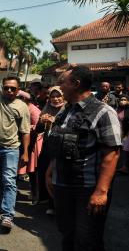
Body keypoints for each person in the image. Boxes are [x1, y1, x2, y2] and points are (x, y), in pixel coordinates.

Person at [45, 66, 121, 251]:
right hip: (63, 186)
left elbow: (111, 154)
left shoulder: (104, 112)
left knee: (87, 240)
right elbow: (62, 144)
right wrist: (50, 172)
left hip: (87, 190)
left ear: (76, 84)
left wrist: (101, 192)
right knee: (67, 234)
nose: (59, 86)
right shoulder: (66, 111)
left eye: (63, 82)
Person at [0, 47, 31, 230]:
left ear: (18, 90)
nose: (9, 90)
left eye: (13, 88)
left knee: (9, 181)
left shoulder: (22, 107)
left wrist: (25, 153)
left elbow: (25, 131)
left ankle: (8, 215)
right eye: (7, 87)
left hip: (11, 148)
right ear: (2, 87)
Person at [36, 86, 66, 215]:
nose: (55, 99)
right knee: (44, 174)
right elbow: (39, 130)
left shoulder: (68, 110)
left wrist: (54, 121)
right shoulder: (46, 109)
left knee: (56, 176)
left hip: (61, 149)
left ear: (63, 97)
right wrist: (42, 122)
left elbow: (68, 129)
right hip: (47, 147)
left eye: (58, 96)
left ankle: (58, 204)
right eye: (53, 96)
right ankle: (49, 202)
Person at [16, 90, 41, 203]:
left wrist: (24, 127)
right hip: (24, 140)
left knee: (33, 171)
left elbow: (38, 126)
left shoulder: (32, 109)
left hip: (34, 143)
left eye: (19, 98)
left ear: (24, 99)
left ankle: (36, 195)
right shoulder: (22, 108)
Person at [116, 95, 129, 174]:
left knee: (125, 150)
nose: (122, 101)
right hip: (119, 132)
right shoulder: (117, 110)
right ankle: (122, 166)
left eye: (124, 99)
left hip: (127, 133)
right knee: (121, 149)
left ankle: (125, 167)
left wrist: (126, 134)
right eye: (121, 99)